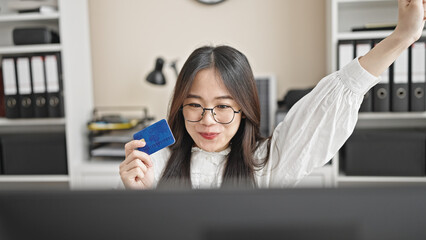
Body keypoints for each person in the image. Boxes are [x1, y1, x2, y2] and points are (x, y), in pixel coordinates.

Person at [120, 0, 426, 189]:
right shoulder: (156, 162)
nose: (207, 121)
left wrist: (402, 37)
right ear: (179, 107)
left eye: (223, 106)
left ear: (245, 109)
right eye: (195, 106)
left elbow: (340, 92)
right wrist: (140, 198)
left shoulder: (268, 162)